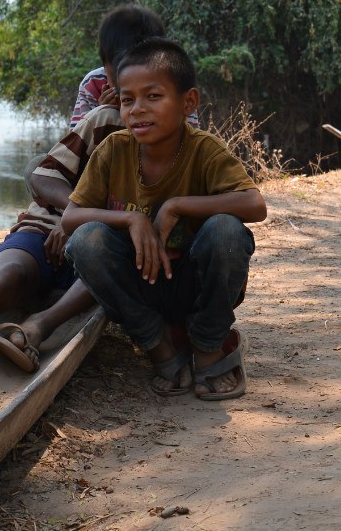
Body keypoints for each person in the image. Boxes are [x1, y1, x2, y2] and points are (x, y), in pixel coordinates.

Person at [0, 6, 168, 402]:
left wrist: (88, 222)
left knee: (102, 270)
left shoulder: (174, 127)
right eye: (122, 84)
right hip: (55, 221)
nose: (135, 102)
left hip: (110, 236)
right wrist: (71, 215)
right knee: (9, 274)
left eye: (151, 90)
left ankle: (37, 327)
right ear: (108, 74)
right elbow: (47, 173)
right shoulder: (99, 117)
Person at [62, 38, 267, 401]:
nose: (137, 110)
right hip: (141, 287)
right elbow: (71, 218)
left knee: (227, 231)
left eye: (153, 97)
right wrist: (130, 221)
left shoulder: (204, 149)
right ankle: (159, 347)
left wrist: (175, 206)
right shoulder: (114, 149)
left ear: (188, 102)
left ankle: (208, 346)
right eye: (128, 100)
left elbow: (254, 205)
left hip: (194, 285)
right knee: (85, 240)